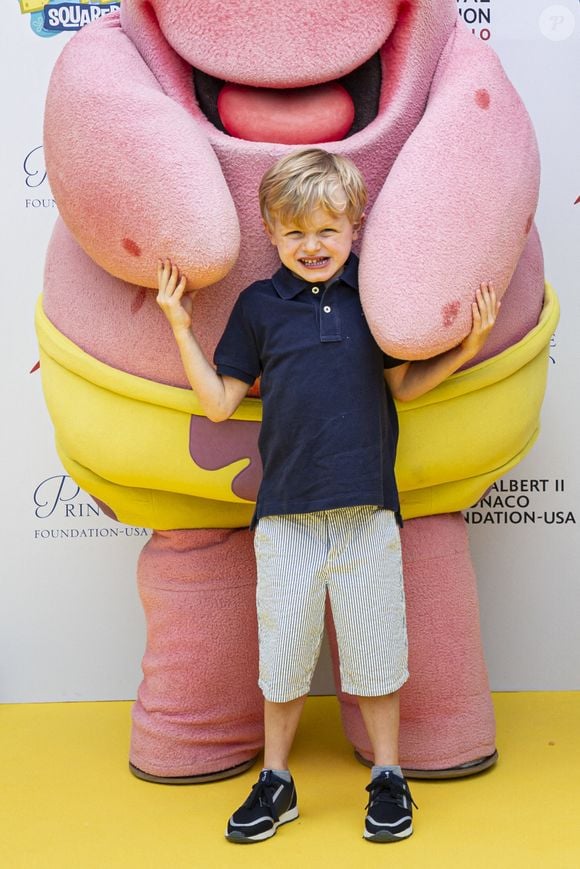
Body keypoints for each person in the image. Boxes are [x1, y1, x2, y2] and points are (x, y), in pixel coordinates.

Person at [156, 148, 500, 844]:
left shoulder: (377, 294)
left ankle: (389, 775)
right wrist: (178, 325)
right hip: (284, 513)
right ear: (270, 231)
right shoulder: (258, 305)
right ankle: (277, 782)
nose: (312, 246)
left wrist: (466, 347)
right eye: (295, 232)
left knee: (377, 653)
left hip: (366, 507)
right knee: (282, 657)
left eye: (327, 230)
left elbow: (401, 385)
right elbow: (221, 403)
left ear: (355, 227)